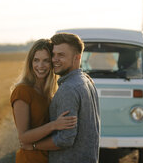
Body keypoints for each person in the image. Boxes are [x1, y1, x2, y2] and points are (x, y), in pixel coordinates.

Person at [25, 32, 100, 163]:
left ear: (77, 58)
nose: (54, 59)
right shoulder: (87, 81)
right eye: (53, 54)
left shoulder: (68, 89)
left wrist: (34, 146)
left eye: (61, 55)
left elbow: (65, 139)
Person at [10, 39, 77, 163]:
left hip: (50, 158)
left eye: (46, 60)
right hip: (30, 158)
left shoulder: (51, 91)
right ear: (30, 62)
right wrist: (54, 125)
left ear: (52, 63)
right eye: (36, 60)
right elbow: (24, 137)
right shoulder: (22, 91)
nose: (40, 66)